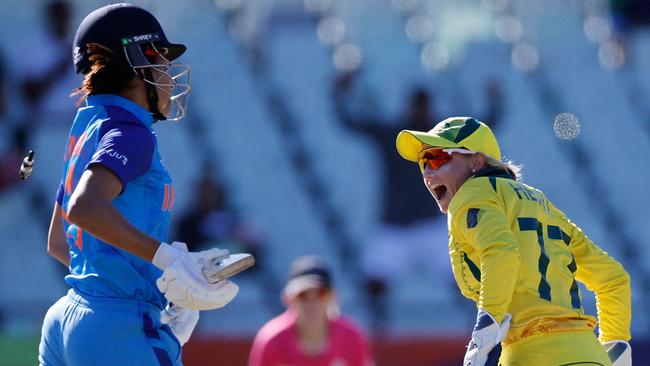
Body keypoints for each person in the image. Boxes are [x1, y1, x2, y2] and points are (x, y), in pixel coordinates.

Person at [39, 4, 241, 365]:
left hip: (66, 321)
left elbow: (58, 241)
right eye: (162, 60)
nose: (168, 73)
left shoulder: (86, 129)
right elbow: (84, 207)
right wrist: (167, 261)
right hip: (118, 327)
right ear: (139, 60)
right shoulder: (131, 132)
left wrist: (156, 291)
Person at [395, 116, 632, 366]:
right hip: (588, 354)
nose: (428, 172)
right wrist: (616, 350)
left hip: (532, 355)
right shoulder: (538, 201)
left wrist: (484, 334)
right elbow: (613, 278)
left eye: (438, 157)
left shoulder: (469, 195)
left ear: (476, 162)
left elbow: (501, 253)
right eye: (423, 162)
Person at [333, 72, 448, 329]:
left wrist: (495, 102)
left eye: (424, 105)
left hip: (430, 225)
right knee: (374, 283)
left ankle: (480, 329)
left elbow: (483, 127)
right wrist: (339, 95)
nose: (420, 111)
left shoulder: (442, 135)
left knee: (468, 277)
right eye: (417, 105)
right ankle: (377, 327)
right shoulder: (395, 134)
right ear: (409, 106)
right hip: (395, 227)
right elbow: (350, 122)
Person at [249, 256, 374, 366]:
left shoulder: (352, 337)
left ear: (333, 296)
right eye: (302, 295)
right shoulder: (271, 339)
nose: (311, 304)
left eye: (320, 294)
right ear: (287, 298)